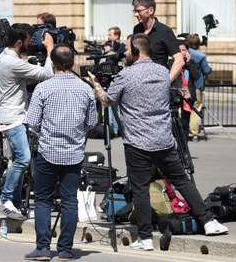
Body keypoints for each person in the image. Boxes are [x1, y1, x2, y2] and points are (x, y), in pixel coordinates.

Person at [91, 34, 229, 250]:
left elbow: (107, 101)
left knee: (140, 189)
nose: (124, 54)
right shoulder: (162, 72)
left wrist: (96, 85)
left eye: (127, 50)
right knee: (182, 181)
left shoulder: (126, 75)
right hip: (164, 139)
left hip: (137, 143)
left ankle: (145, 238)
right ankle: (209, 221)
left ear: (136, 52)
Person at [23, 44, 98, 261]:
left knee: (43, 200)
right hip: (74, 152)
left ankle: (43, 247)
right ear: (73, 62)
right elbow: (92, 122)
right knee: (69, 201)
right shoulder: (85, 88)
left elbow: (33, 122)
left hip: (47, 151)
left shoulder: (43, 88)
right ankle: (65, 249)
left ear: (53, 63)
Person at [0, 23, 54, 220]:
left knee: (19, 160)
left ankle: (15, 202)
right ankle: (5, 199)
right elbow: (47, 74)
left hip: (13, 115)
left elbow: (21, 77)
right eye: (29, 39)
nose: (32, 42)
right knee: (23, 158)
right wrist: (50, 49)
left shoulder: (4, 56)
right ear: (19, 42)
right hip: (14, 118)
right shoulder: (13, 63)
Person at [131, 0, 184, 82]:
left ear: (151, 10)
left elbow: (179, 60)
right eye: (135, 11)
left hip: (157, 84)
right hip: (139, 82)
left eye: (139, 11)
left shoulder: (165, 31)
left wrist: (167, 82)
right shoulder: (137, 29)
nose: (136, 14)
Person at [185, 34, 211, 138]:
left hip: (184, 83)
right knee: (196, 108)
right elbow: (206, 70)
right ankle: (193, 131)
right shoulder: (200, 56)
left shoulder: (184, 53)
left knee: (184, 107)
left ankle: (184, 129)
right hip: (197, 85)